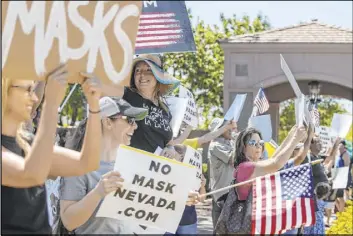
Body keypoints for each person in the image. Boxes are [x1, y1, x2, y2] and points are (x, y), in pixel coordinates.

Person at [1, 65, 103, 234]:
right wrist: (51, 103)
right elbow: (31, 174)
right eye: (27, 89)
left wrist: (94, 105)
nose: (34, 98)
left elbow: (87, 163)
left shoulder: (28, 144)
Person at [59, 97, 149, 234]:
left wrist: (177, 197)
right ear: (107, 122)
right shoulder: (79, 166)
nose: (135, 126)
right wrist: (98, 192)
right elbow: (69, 222)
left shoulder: (134, 162)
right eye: (130, 120)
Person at [215, 125, 307, 234]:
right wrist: (295, 138)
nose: (258, 146)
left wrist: (291, 135)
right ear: (243, 147)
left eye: (260, 143)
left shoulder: (252, 166)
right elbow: (276, 163)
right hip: (250, 226)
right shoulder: (245, 167)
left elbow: (274, 159)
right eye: (253, 143)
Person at [100, 54, 180, 154]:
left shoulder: (165, 110)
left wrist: (170, 149)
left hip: (155, 167)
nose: (142, 75)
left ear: (159, 76)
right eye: (137, 70)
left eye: (148, 70)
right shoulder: (126, 95)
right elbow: (100, 85)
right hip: (129, 165)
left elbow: (169, 141)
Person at [164, 144, 207, 235]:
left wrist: (203, 186)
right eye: (182, 157)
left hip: (187, 221)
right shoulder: (165, 171)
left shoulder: (195, 174)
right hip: (166, 221)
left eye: (185, 157)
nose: (183, 160)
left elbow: (202, 199)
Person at [207, 118, 237, 228]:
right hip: (222, 195)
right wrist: (238, 139)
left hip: (232, 193)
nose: (230, 129)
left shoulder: (230, 142)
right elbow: (234, 160)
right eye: (226, 127)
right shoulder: (216, 145)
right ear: (219, 130)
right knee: (221, 229)